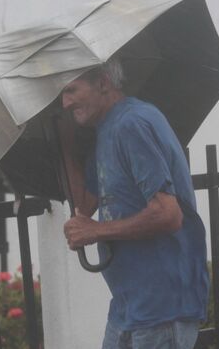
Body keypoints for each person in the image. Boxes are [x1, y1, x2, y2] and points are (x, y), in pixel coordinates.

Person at [60, 59, 209, 349]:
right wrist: (64, 142)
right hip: (128, 307)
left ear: (103, 83)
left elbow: (168, 214)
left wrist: (96, 232)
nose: (65, 102)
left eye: (71, 91)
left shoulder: (131, 124)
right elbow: (84, 204)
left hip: (162, 307)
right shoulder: (106, 131)